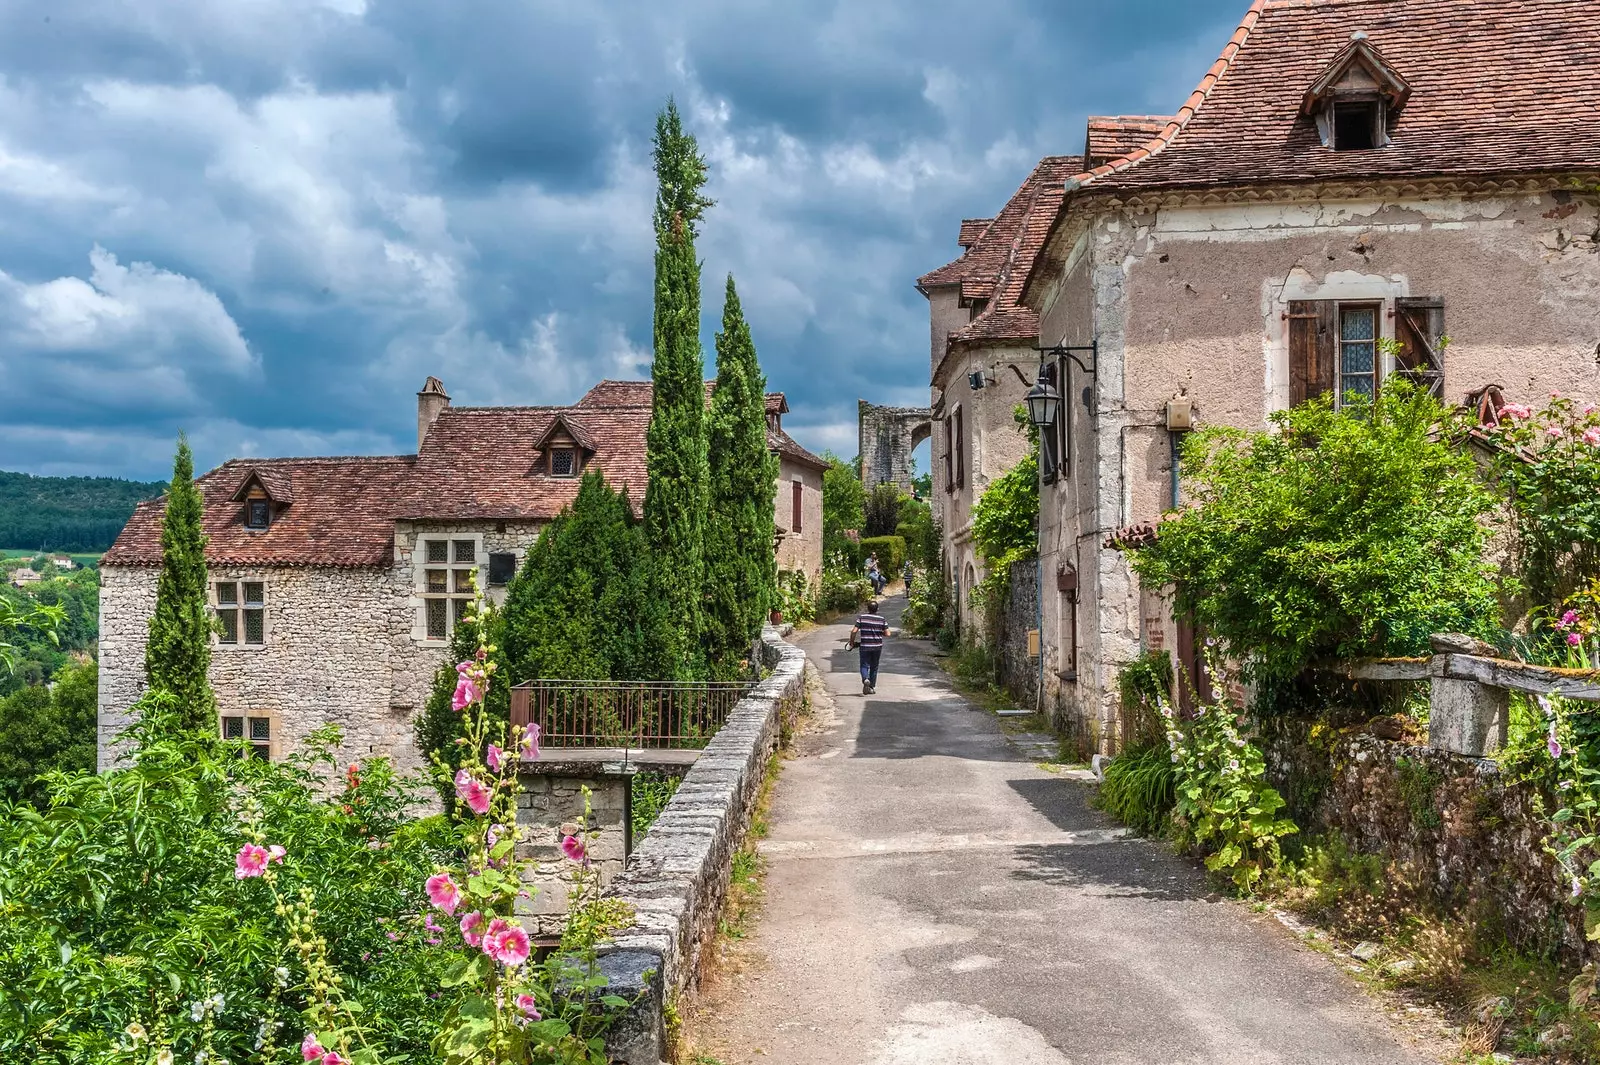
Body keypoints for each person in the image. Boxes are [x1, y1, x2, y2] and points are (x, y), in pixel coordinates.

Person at [850, 599, 890, 695]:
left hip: (865, 646)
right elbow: (888, 633)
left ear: (867, 608)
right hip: (877, 646)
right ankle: (871, 687)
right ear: (877, 609)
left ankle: (865, 679)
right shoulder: (881, 619)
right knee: (874, 666)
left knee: (864, 665)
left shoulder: (862, 617)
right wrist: (879, 632)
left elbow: (854, 631)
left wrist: (851, 642)